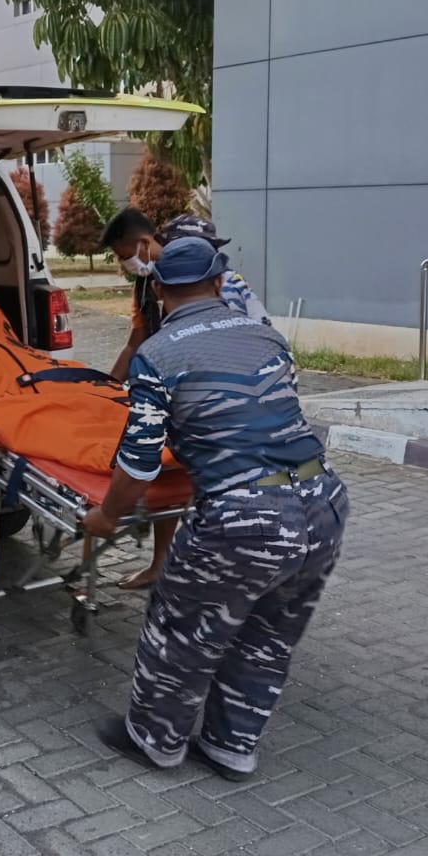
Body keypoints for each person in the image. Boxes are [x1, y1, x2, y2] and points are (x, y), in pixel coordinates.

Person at [83, 236, 347, 781]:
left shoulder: (157, 355)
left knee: (183, 628)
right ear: (221, 282)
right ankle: (231, 746)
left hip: (244, 516)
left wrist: (108, 517)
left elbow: (139, 462)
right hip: (323, 503)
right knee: (270, 633)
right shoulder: (268, 337)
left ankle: (155, 739)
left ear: (157, 289)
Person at [99, 209, 272, 589]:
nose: (124, 264)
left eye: (123, 253)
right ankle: (163, 564)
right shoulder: (148, 287)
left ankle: (232, 576)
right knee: (169, 468)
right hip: (187, 394)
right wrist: (106, 389)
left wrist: (108, 513)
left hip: (230, 399)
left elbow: (242, 349)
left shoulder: (220, 286)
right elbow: (138, 343)